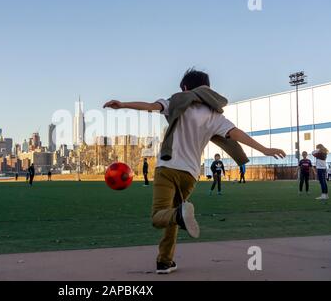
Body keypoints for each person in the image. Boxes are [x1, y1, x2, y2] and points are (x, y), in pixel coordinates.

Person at [103, 68, 286, 275]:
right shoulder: (215, 116)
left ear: (185, 87)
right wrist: (265, 149)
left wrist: (123, 105)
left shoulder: (177, 101)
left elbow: (151, 106)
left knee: (158, 216)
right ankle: (164, 261)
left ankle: (176, 226)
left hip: (167, 167)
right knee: (173, 216)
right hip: (189, 174)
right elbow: (237, 135)